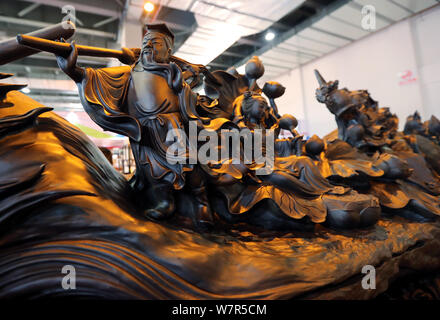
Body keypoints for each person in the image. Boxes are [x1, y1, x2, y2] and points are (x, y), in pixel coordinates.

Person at [55, 23, 217, 229]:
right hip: (146, 132)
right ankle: (165, 202)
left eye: (155, 42)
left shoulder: (173, 73)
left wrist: (187, 75)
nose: (148, 45)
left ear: (168, 51)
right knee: (153, 172)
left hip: (173, 128)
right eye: (145, 42)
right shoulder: (129, 73)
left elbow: (189, 85)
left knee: (190, 165)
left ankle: (201, 202)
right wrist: (73, 70)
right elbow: (95, 78)